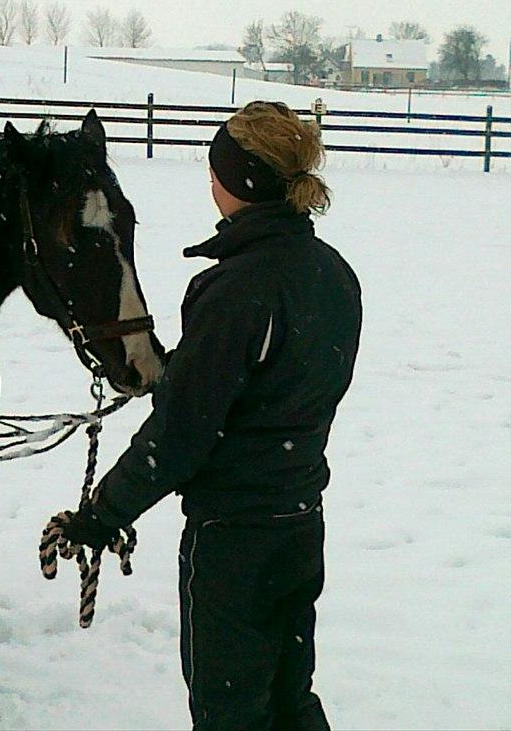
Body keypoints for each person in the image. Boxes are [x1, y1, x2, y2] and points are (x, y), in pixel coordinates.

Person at [62, 101, 362, 731]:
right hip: (299, 524)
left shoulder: (239, 287)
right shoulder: (334, 275)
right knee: (290, 697)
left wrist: (100, 516)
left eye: (216, 169)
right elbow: (274, 387)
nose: (210, 181)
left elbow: (180, 436)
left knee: (230, 712)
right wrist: (185, 372)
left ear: (239, 180)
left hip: (234, 543)